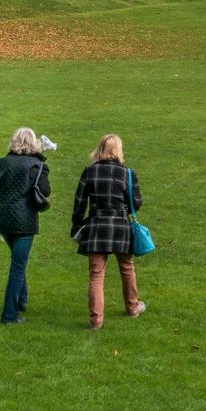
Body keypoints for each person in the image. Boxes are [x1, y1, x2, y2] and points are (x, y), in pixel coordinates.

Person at [71, 134, 146, 329]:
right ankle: (132, 307)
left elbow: (79, 203)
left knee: (96, 275)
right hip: (120, 226)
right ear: (119, 150)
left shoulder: (89, 172)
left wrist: (77, 224)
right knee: (127, 268)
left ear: (100, 148)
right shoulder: (128, 173)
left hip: (96, 226)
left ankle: (96, 320)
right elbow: (136, 203)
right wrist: (123, 210)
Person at [0, 127, 51, 324]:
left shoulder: (4, 163)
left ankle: (22, 300)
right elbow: (45, 191)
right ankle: (9, 314)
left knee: (18, 260)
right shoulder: (37, 165)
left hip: (3, 218)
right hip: (24, 220)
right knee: (17, 266)